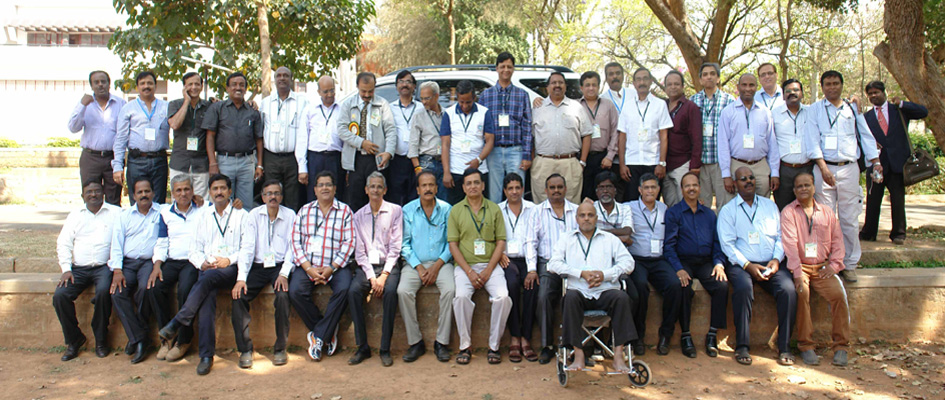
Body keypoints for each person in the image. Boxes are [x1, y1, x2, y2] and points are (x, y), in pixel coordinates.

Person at [159, 174, 251, 375]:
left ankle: (178, 321)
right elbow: (194, 249)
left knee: (206, 281)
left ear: (230, 191)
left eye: (223, 188)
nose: (219, 192)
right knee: (206, 300)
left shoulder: (241, 215)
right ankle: (206, 356)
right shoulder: (203, 216)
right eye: (215, 189)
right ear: (209, 192)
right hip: (208, 269)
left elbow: (247, 249)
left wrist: (229, 260)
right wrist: (202, 263)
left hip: (231, 269)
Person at [804, 70, 883, 283]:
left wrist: (875, 161)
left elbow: (865, 135)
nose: (832, 87)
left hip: (849, 168)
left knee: (849, 219)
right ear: (822, 87)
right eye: (828, 84)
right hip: (824, 168)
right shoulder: (814, 110)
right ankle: (829, 261)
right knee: (824, 219)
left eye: (836, 83)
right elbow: (812, 140)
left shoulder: (852, 108)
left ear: (842, 85)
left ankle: (849, 264)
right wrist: (823, 168)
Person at [718, 166, 797, 366]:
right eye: (743, 178)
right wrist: (747, 265)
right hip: (741, 264)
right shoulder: (728, 210)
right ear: (735, 184)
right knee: (743, 289)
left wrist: (776, 259)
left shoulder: (770, 206)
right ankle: (742, 346)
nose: (748, 181)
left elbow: (781, 237)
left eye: (751, 177)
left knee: (788, 290)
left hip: (771, 263)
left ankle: (784, 346)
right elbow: (727, 245)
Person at [548, 199, 636, 372]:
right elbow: (552, 264)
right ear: (576, 218)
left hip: (605, 290)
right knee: (569, 298)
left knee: (622, 298)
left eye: (590, 215)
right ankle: (578, 354)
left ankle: (619, 355)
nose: (586, 218)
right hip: (579, 291)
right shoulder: (566, 239)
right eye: (582, 215)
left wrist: (605, 275)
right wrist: (580, 273)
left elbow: (628, 263)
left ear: (596, 218)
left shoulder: (609, 239)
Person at [781, 172, 850, 366]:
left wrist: (834, 265)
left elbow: (838, 241)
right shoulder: (789, 212)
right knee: (802, 293)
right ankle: (806, 346)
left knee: (838, 295)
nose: (803, 188)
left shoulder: (827, 212)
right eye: (799, 186)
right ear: (794, 190)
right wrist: (797, 272)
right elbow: (790, 246)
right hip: (800, 267)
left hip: (822, 268)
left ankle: (841, 346)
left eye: (807, 185)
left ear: (814, 187)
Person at [288, 171, 354, 361]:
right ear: (315, 190)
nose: (325, 188)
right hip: (309, 265)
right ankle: (327, 332)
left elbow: (349, 243)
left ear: (335, 189)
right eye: (321, 185)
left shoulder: (345, 211)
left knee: (345, 289)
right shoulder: (304, 211)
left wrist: (331, 268)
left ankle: (318, 336)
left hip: (335, 266)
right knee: (295, 291)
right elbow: (295, 242)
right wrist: (308, 268)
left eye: (328, 184)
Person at [448, 168, 512, 365]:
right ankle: (465, 346)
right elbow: (453, 245)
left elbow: (501, 241)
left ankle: (494, 346)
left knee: (503, 298)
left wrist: (488, 270)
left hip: (490, 266)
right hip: (464, 267)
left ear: (483, 185)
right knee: (460, 298)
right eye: (469, 183)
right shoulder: (456, 210)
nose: (473, 186)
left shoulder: (494, 209)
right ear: (463, 187)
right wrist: (469, 271)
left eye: (477, 182)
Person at [231, 180, 297, 368]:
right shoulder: (254, 215)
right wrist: (241, 278)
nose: (273, 197)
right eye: (269, 193)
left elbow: (293, 248)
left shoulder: (290, 215)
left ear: (281, 197)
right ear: (263, 197)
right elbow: (247, 248)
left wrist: (284, 273)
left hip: (279, 266)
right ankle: (245, 349)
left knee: (283, 296)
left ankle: (280, 348)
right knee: (238, 296)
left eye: (276, 193)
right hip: (258, 266)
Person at [663, 172, 729, 358]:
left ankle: (712, 334)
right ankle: (685, 335)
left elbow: (717, 243)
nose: (691, 188)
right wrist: (678, 268)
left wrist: (719, 263)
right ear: (682, 189)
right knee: (683, 286)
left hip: (706, 262)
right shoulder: (674, 213)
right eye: (687, 186)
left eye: (694, 185)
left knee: (722, 285)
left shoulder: (709, 214)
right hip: (684, 261)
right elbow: (669, 246)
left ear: (700, 188)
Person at [54, 181, 120, 361]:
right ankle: (74, 339)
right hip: (79, 269)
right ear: (83, 196)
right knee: (60, 296)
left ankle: (101, 339)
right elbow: (64, 243)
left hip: (104, 267)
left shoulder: (115, 213)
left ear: (103, 193)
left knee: (103, 292)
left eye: (97, 191)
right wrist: (66, 269)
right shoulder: (75, 215)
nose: (93, 194)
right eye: (89, 192)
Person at [860, 80, 929, 245]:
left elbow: (923, 112)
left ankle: (898, 234)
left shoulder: (899, 110)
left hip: (898, 164)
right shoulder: (866, 117)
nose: (873, 96)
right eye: (870, 94)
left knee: (898, 200)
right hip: (876, 165)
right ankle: (869, 233)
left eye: (876, 92)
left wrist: (903, 103)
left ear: (884, 93)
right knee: (873, 200)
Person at [398, 170, 456, 363]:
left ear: (437, 188)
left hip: (442, 263)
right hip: (415, 264)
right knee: (403, 291)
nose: (428, 189)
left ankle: (441, 342)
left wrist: (437, 266)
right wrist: (419, 267)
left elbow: (451, 243)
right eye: (424, 185)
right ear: (417, 189)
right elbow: (404, 244)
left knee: (450, 290)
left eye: (431, 185)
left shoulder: (447, 209)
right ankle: (415, 342)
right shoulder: (407, 210)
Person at [347, 172, 403, 366]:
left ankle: (385, 348)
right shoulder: (358, 216)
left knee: (390, 292)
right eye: (372, 186)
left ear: (385, 190)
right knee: (353, 291)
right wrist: (372, 278)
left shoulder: (395, 211)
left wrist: (384, 275)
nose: (376, 190)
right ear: (366, 190)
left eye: (379, 187)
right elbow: (359, 252)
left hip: (389, 265)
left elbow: (395, 249)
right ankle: (362, 347)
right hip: (367, 267)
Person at [624, 173, 683, 356]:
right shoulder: (628, 208)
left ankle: (665, 335)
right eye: (646, 187)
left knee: (675, 285)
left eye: (653, 187)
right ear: (640, 190)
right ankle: (638, 337)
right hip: (637, 259)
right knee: (640, 287)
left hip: (659, 260)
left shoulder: (665, 209)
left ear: (658, 190)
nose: (650, 191)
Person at [148, 174, 203, 362]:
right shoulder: (165, 213)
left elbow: (224, 206)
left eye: (187, 189)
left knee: (185, 290)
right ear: (172, 193)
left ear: (193, 191)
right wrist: (157, 265)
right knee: (155, 287)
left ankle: (184, 340)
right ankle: (166, 338)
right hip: (172, 260)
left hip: (192, 261)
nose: (183, 193)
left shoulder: (203, 209)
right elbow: (162, 242)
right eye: (178, 190)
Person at [526, 174, 579, 363]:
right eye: (552, 187)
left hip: (573, 265)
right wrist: (532, 269)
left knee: (575, 298)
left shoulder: (577, 211)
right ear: (546, 190)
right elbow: (531, 241)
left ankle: (574, 346)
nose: (556, 191)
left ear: (565, 189)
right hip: (547, 264)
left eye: (559, 187)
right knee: (543, 297)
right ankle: (547, 346)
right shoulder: (537, 212)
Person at [109, 178, 161, 363]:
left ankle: (136, 338)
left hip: (148, 263)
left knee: (146, 288)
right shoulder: (124, 216)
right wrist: (117, 270)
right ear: (133, 195)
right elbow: (116, 244)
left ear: (153, 193)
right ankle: (140, 338)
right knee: (117, 293)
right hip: (128, 264)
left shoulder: (162, 212)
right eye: (140, 192)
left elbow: (185, 206)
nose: (144, 195)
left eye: (147, 191)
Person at [337, 72, 398, 212]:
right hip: (355, 159)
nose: (367, 94)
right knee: (355, 199)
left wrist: (388, 152)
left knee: (376, 197)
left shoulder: (382, 104)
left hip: (376, 159)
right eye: (363, 91)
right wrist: (362, 143)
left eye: (370, 91)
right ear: (357, 87)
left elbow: (390, 130)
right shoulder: (348, 105)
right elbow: (341, 130)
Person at [203, 71, 264, 208]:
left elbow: (259, 139)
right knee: (223, 201)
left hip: (247, 162)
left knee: (245, 204)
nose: (238, 88)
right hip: (224, 161)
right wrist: (212, 162)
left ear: (246, 89)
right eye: (234, 84)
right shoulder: (217, 108)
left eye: (241, 85)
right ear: (227, 88)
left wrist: (259, 165)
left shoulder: (253, 111)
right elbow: (210, 136)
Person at [480, 51, 533, 204]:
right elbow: (480, 126)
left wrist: (526, 155)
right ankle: (496, 219)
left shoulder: (522, 95)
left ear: (513, 69)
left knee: (516, 193)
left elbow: (527, 127)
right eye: (502, 66)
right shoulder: (486, 95)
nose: (506, 70)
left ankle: (518, 219)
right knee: (494, 195)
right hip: (493, 151)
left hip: (516, 151)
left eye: (509, 67)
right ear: (496, 68)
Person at [532, 72, 593, 204]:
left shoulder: (576, 107)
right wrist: (533, 161)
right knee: (542, 204)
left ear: (565, 86)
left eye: (560, 83)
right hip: (543, 163)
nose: (557, 85)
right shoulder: (537, 108)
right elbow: (530, 137)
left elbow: (587, 134)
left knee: (571, 204)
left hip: (569, 163)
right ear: (547, 87)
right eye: (553, 83)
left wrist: (582, 162)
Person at [718, 73, 780, 201]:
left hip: (760, 166)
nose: (747, 88)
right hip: (736, 165)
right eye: (744, 85)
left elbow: (772, 143)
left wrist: (775, 172)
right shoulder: (728, 112)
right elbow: (723, 144)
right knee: (735, 204)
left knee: (762, 203)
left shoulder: (765, 112)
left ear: (756, 87)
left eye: (751, 85)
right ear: (738, 87)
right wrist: (726, 174)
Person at [68, 70, 126, 205]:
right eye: (96, 82)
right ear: (91, 86)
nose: (100, 85)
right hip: (90, 158)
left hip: (113, 157)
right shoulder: (85, 105)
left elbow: (124, 133)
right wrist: (82, 105)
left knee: (114, 198)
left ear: (109, 84)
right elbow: (73, 127)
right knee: (91, 196)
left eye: (103, 82)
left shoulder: (120, 104)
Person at [498, 173, 538, 362]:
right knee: (512, 284)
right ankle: (514, 336)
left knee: (532, 285)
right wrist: (499, 254)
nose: (514, 192)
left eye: (517, 188)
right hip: (506, 260)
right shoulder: (498, 209)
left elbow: (533, 239)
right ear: (505, 191)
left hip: (528, 257)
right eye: (510, 188)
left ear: (522, 189)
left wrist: (532, 269)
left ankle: (526, 337)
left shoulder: (533, 209)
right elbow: (493, 235)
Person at [113, 71, 170, 205]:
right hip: (137, 161)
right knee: (137, 201)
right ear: (137, 86)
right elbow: (121, 138)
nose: (146, 86)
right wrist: (117, 166)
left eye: (150, 83)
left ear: (155, 86)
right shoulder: (128, 108)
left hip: (159, 160)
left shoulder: (166, 107)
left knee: (158, 202)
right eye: (142, 83)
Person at [618, 68, 673, 202]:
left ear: (651, 81)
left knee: (651, 200)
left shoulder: (660, 105)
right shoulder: (627, 106)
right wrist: (622, 164)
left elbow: (664, 136)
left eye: (645, 79)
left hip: (653, 162)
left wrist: (662, 163)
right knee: (632, 201)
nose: (642, 82)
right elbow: (622, 137)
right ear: (634, 83)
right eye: (638, 79)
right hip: (632, 162)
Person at [260, 67, 309, 211]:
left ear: (291, 79)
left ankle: (291, 224)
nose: (282, 78)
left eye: (286, 75)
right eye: (279, 75)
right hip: (271, 159)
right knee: (272, 194)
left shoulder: (302, 102)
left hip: (292, 158)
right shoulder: (265, 103)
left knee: (293, 197)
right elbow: (260, 130)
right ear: (274, 79)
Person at [440, 80, 496, 204]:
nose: (465, 106)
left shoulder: (484, 112)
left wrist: (479, 160)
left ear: (474, 98)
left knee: (479, 206)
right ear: (457, 98)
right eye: (461, 102)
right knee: (456, 208)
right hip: (456, 170)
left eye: (468, 102)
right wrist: (446, 172)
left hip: (479, 170)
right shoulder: (449, 113)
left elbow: (490, 141)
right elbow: (445, 144)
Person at [690, 63, 736, 211]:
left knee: (725, 203)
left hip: (720, 162)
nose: (708, 77)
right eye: (705, 74)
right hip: (701, 162)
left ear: (718, 78)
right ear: (700, 79)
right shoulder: (693, 101)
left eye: (712, 74)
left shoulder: (729, 101)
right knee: (702, 204)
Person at [299, 76, 346, 203]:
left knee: (336, 194)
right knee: (314, 195)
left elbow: (347, 139)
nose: (329, 94)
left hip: (335, 158)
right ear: (319, 92)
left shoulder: (342, 109)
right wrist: (302, 168)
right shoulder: (310, 109)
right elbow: (302, 138)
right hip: (315, 158)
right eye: (325, 91)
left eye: (332, 90)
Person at [576, 71, 621, 201]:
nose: (591, 88)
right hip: (582, 159)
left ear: (599, 87)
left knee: (603, 194)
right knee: (584, 194)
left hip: (603, 158)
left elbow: (615, 131)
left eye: (594, 85)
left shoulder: (608, 105)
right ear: (581, 88)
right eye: (587, 85)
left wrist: (610, 156)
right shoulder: (575, 105)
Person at [167, 72, 211, 200]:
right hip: (180, 162)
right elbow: (174, 124)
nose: (194, 87)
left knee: (201, 201)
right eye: (190, 84)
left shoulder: (209, 107)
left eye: (197, 84)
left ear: (202, 86)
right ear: (184, 87)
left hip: (201, 163)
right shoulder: (175, 104)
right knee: (179, 200)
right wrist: (186, 102)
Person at [662, 70, 702, 207]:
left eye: (676, 84)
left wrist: (694, 165)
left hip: (683, 164)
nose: (673, 87)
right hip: (665, 165)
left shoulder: (690, 108)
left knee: (687, 203)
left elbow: (697, 139)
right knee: (670, 205)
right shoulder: (661, 106)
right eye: (669, 84)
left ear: (683, 86)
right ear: (665, 87)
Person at [772, 79, 813, 210]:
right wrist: (774, 173)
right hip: (785, 170)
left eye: (796, 90)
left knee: (807, 208)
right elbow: (771, 144)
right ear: (783, 95)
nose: (792, 93)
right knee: (784, 208)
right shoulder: (774, 114)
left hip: (807, 168)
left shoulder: (811, 112)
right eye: (788, 91)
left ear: (802, 94)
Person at [387, 70, 422, 205]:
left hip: (417, 160)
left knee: (415, 197)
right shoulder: (389, 108)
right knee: (395, 197)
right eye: (401, 82)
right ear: (396, 86)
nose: (404, 85)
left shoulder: (421, 108)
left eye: (408, 82)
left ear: (414, 86)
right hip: (397, 161)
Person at [410, 81, 447, 200]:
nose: (424, 102)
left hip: (445, 161)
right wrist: (417, 168)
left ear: (436, 96)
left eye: (427, 98)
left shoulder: (447, 114)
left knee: (443, 199)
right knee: (426, 199)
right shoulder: (418, 115)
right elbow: (413, 144)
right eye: (421, 98)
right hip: (427, 161)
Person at [593, 171, 634, 246]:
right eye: (601, 187)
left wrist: (599, 233)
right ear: (596, 191)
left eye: (609, 187)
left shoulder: (625, 208)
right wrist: (621, 237)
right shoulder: (591, 208)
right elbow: (589, 233)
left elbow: (627, 231)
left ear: (615, 190)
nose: (605, 191)